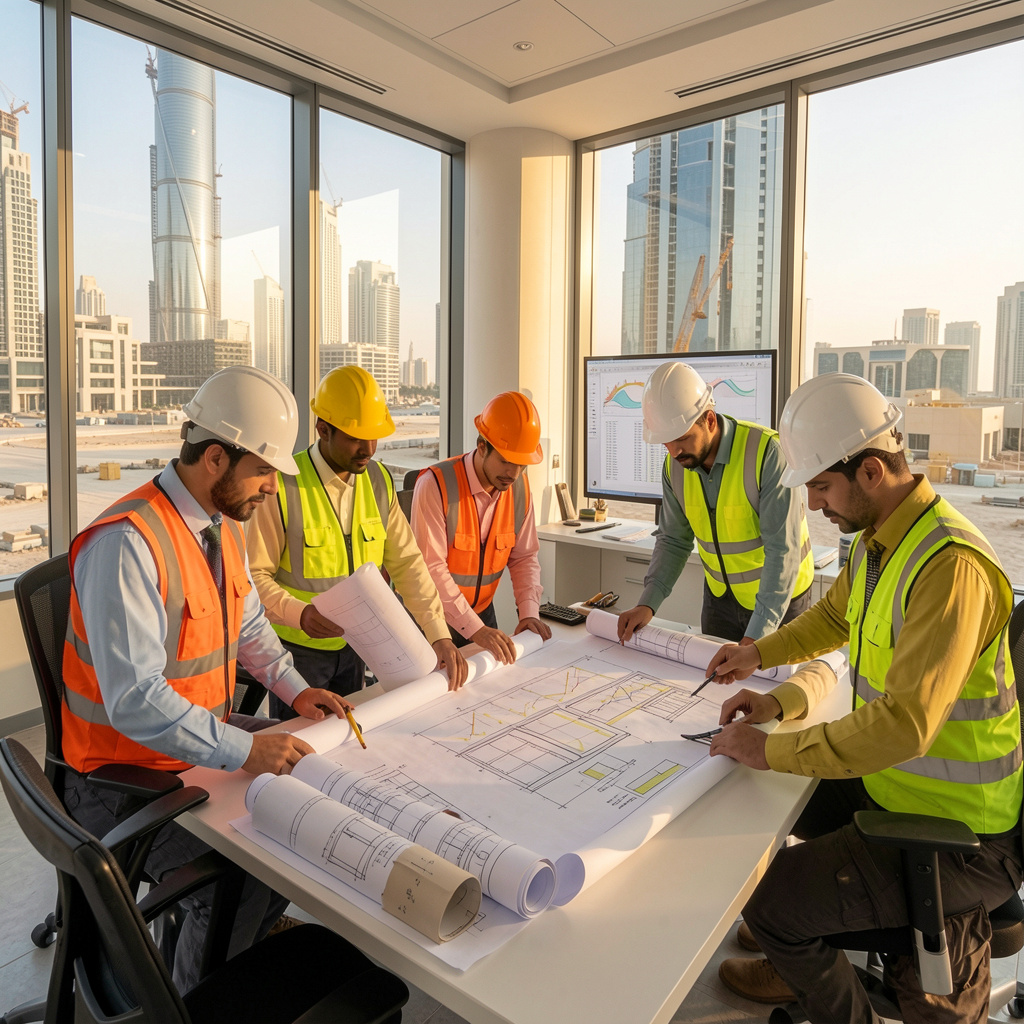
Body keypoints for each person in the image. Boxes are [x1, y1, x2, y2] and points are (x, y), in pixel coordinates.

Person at [705, 372, 1022, 1021]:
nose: (816, 504)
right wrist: (758, 659)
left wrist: (775, 749)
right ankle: (802, 939)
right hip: (898, 782)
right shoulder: (880, 545)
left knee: (769, 901)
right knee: (763, 799)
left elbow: (905, 724)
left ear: (871, 471)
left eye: (822, 486)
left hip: (960, 834)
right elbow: (833, 619)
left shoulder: (949, 566)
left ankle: (816, 971)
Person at [61, 365, 354, 994]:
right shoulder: (128, 544)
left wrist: (295, 690)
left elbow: (248, 627)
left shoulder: (218, 528)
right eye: (265, 472)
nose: (274, 490)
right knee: (245, 874)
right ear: (216, 458)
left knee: (314, 785)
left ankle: (234, 949)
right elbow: (135, 701)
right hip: (117, 777)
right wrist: (247, 748)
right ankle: (197, 1003)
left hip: (194, 741)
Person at [248, 365, 466, 714]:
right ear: (323, 428)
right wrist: (299, 614)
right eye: (355, 438)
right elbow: (254, 577)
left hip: (361, 649)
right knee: (305, 753)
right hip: (300, 653)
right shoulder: (283, 485)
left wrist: (437, 632)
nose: (368, 449)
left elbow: (408, 562)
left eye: (373, 436)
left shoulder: (378, 481)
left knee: (354, 741)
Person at [617, 360, 815, 646]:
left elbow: (782, 552)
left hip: (781, 603)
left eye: (682, 439)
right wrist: (647, 604)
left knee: (773, 689)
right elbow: (673, 540)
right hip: (720, 600)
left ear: (709, 420)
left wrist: (757, 636)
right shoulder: (675, 467)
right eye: (665, 443)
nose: (674, 452)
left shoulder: (767, 454)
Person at [410, 391, 551, 665]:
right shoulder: (435, 485)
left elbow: (524, 557)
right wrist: (475, 630)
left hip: (482, 615)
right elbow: (431, 569)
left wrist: (529, 613)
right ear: (482, 446)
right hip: (432, 620)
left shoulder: (519, 488)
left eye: (520, 464)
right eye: (506, 461)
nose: (512, 473)